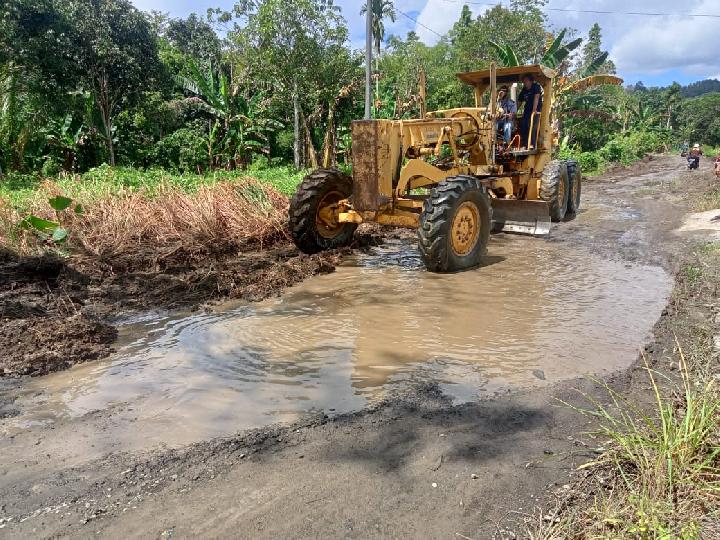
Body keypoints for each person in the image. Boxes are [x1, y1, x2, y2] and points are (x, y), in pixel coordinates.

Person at [518, 74, 543, 149]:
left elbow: (536, 97)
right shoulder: (524, 89)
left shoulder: (536, 86)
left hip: (536, 111)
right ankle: (525, 144)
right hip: (527, 111)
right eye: (524, 81)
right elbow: (519, 101)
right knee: (523, 125)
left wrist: (534, 110)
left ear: (530, 81)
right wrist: (514, 112)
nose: (524, 82)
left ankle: (532, 144)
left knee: (532, 126)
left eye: (526, 81)